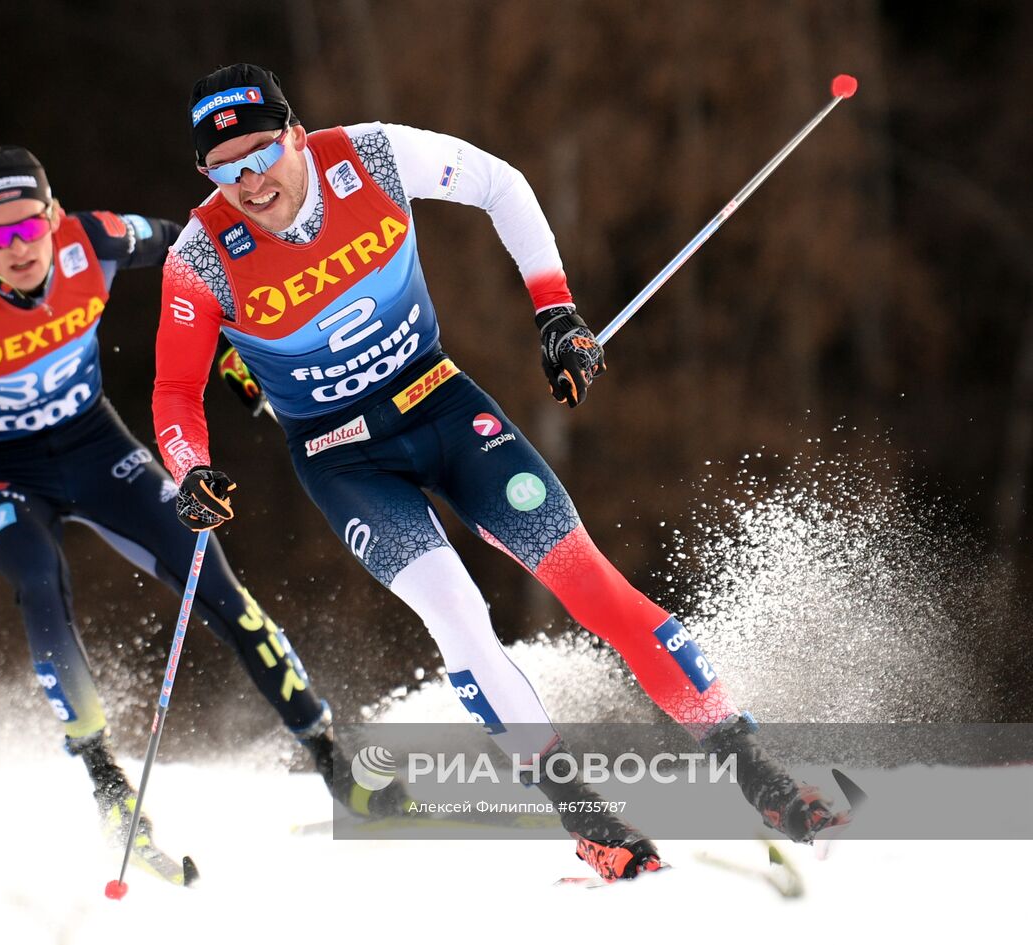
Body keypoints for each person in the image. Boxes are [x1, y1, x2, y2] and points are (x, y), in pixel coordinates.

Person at [152, 64, 844, 882]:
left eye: (261, 152)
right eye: (224, 169)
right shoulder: (200, 256)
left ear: (296, 134)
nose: (250, 180)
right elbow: (172, 392)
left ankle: (759, 773)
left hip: (442, 405)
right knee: (456, 609)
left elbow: (502, 185)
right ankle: (585, 816)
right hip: (341, 457)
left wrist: (555, 310)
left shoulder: (371, 157)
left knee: (589, 581)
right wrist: (190, 469)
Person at [0, 146, 406, 875]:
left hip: (96, 447)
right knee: (39, 584)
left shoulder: (97, 240)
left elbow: (193, 246)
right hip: (1, 474)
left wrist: (233, 349)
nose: (19, 251)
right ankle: (110, 787)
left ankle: (333, 760)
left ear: (54, 216)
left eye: (30, 229)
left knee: (220, 589)